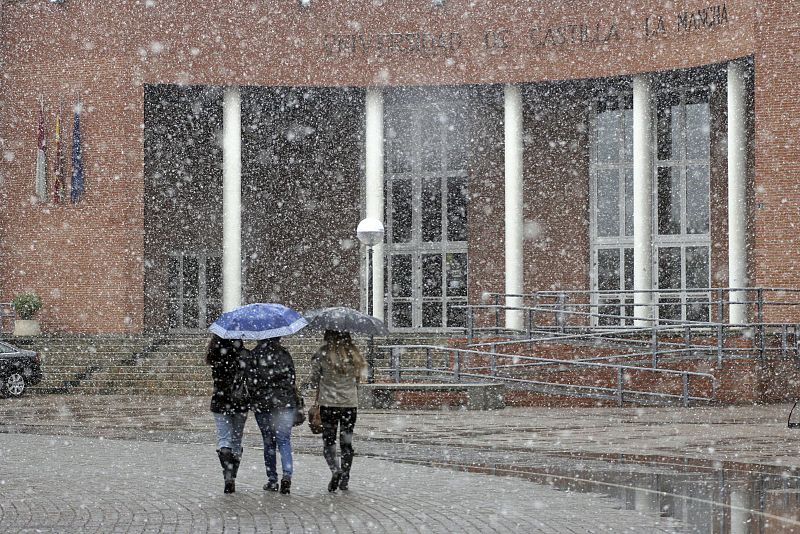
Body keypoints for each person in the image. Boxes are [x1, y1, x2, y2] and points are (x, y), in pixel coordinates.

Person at [308, 330, 367, 492]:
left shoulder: (322, 354)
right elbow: (358, 380)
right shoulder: (354, 354)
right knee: (346, 442)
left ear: (327, 337)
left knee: (329, 441)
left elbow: (313, 382)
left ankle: (335, 470)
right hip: (349, 404)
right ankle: (345, 478)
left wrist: (322, 378)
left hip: (329, 404)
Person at [248, 337, 298, 495]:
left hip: (263, 404)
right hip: (284, 403)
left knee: (269, 442)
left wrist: (258, 395)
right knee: (284, 440)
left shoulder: (254, 355)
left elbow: (250, 382)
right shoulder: (284, 354)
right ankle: (287, 475)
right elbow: (292, 378)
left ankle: (272, 479)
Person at [206, 334, 250, 494]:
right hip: (240, 402)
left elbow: (217, 379)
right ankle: (232, 475)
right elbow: (250, 378)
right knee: (236, 439)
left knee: (224, 439)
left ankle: (228, 476)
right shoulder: (244, 355)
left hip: (220, 401)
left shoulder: (215, 354)